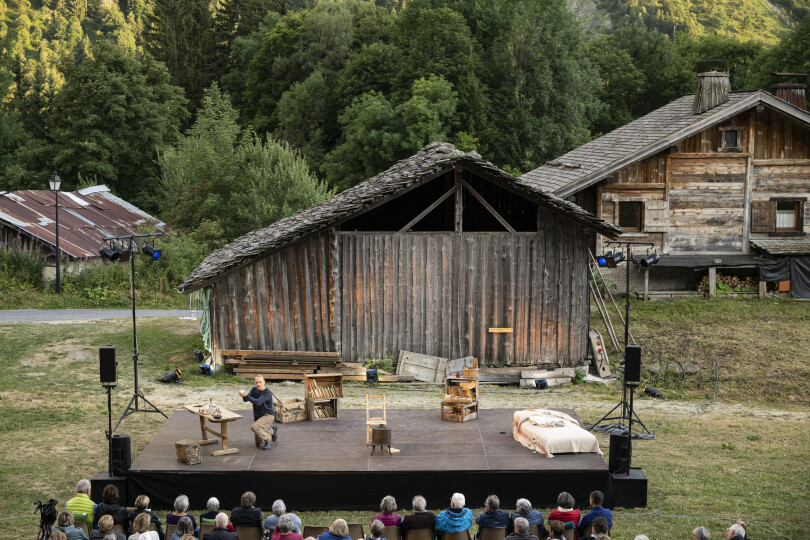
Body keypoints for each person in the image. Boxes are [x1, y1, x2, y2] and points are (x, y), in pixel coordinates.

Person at [239, 375, 277, 450]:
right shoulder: (254, 389)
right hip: (258, 416)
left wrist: (247, 396)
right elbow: (246, 400)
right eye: (256, 382)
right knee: (259, 444)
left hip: (268, 415)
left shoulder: (267, 393)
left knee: (255, 427)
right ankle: (272, 430)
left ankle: (268, 440)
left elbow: (258, 402)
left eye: (260, 382)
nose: (258, 384)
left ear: (264, 382)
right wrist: (243, 395)